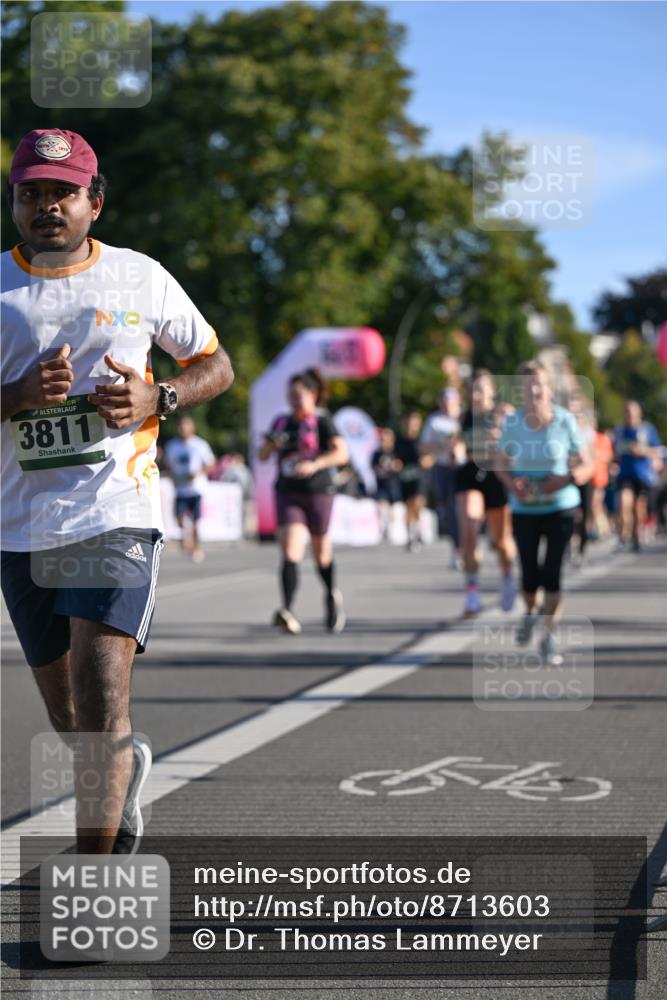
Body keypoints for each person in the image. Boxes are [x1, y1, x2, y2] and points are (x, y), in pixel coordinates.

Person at [0, 129, 233, 854]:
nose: (47, 207)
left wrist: (156, 396)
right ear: (14, 203)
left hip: (115, 514)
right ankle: (122, 773)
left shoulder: (141, 276)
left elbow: (215, 364)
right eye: (32, 193)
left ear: (94, 203)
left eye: (62, 194)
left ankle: (94, 879)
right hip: (20, 527)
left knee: (102, 705)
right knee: (72, 717)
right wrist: (17, 395)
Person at [496, 361, 593, 666]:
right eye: (528, 385)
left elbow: (587, 464)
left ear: (549, 388)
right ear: (522, 390)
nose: (535, 390)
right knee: (529, 575)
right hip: (525, 508)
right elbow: (499, 462)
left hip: (560, 505)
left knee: (552, 573)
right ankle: (529, 612)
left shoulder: (565, 421)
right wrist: (513, 485)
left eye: (539, 384)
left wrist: (565, 479)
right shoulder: (513, 423)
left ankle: (548, 634)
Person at [258, 369, 348, 634]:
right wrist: (271, 445)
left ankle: (331, 595)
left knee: (321, 552)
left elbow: (341, 454)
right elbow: (262, 455)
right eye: (290, 395)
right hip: (288, 491)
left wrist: (316, 464)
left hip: (319, 490)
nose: (294, 400)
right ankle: (288, 610)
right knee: (290, 549)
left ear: (313, 395)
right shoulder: (281, 422)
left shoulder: (322, 421)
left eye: (299, 395)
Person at [454, 370, 517, 616]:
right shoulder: (463, 418)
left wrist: (501, 439)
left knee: (500, 542)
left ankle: (508, 576)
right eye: (472, 390)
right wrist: (454, 448)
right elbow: (454, 446)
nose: (476, 395)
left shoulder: (503, 415)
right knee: (469, 529)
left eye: (481, 389)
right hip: (469, 476)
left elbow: (516, 446)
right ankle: (472, 593)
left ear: (492, 392)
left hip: (495, 477)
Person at [164, 415, 215, 562]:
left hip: (196, 489)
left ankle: (196, 547)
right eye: (180, 426)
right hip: (180, 489)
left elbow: (210, 463)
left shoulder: (200, 444)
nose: (183, 429)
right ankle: (186, 538)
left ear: (192, 428)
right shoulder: (172, 445)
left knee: (196, 522)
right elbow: (169, 464)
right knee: (180, 519)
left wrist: (198, 474)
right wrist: (173, 475)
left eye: (186, 426)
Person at [420, 386, 462, 566]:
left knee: (461, 507)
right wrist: (442, 446)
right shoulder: (434, 421)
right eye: (445, 401)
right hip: (443, 468)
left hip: (463, 468)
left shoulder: (466, 417)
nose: (448, 405)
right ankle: (457, 547)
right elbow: (424, 447)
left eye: (451, 401)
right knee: (448, 509)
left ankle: (466, 544)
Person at [613, 400, 662, 552]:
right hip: (625, 474)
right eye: (627, 412)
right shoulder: (619, 431)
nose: (630, 416)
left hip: (642, 475)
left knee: (638, 508)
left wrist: (642, 451)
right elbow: (614, 451)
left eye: (633, 413)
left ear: (639, 414)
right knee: (623, 503)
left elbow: (657, 450)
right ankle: (623, 536)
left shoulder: (647, 430)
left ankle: (636, 537)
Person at [395, 411, 428, 552]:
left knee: (417, 502)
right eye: (408, 423)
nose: (410, 426)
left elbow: (430, 456)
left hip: (420, 477)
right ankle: (411, 535)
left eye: (413, 423)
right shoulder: (399, 441)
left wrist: (426, 460)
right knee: (408, 507)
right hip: (405, 477)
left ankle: (419, 530)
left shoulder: (423, 440)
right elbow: (396, 459)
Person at [371, 426, 402, 538]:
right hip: (381, 485)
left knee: (395, 509)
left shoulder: (396, 451)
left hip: (394, 484)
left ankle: (394, 529)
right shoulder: (376, 453)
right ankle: (383, 528)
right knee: (382, 505)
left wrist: (394, 466)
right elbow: (372, 467)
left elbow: (400, 465)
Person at [590, 416, 614, 539]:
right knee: (596, 504)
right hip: (588, 477)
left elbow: (609, 456)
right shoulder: (585, 439)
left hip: (599, 476)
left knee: (596, 503)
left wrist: (597, 455)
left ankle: (601, 529)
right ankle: (600, 527)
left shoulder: (602, 438)